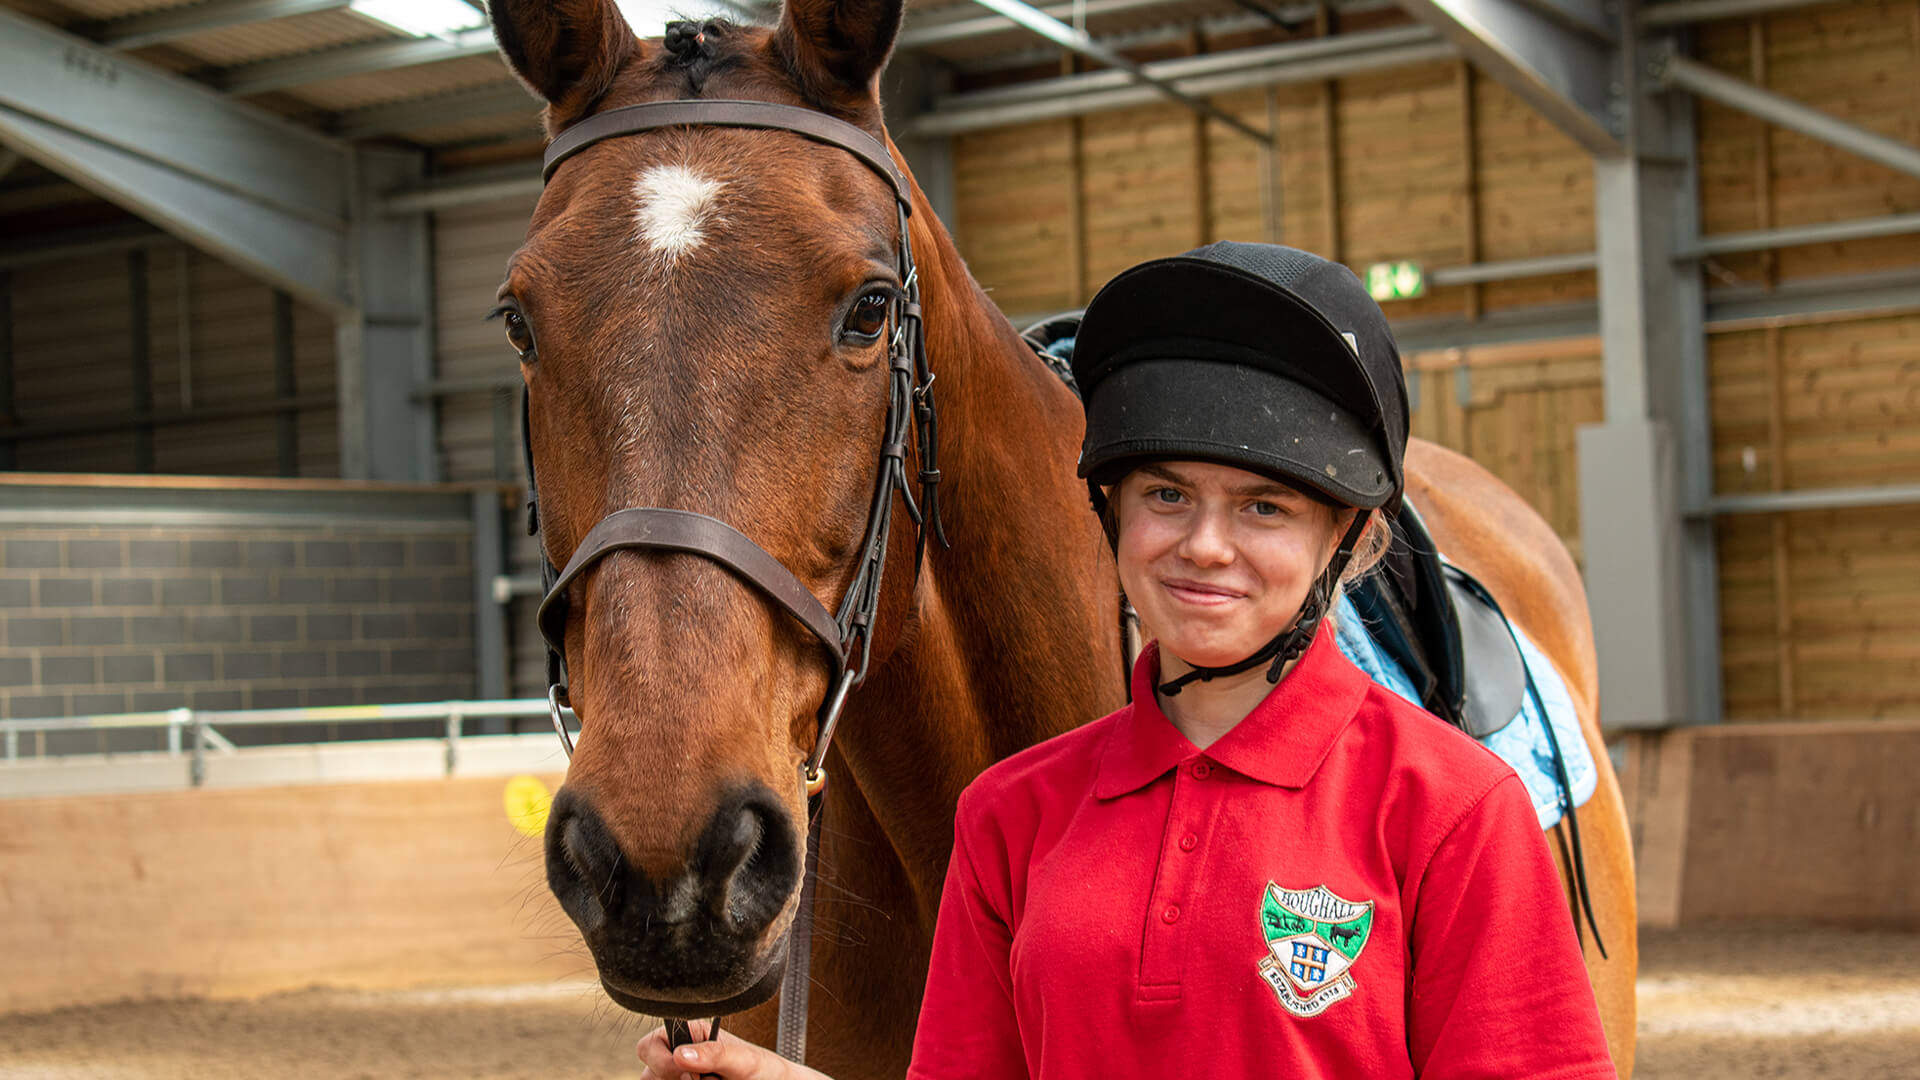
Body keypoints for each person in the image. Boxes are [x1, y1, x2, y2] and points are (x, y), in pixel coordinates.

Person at [638, 242, 1614, 1079]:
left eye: (1263, 508)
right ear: (1110, 513)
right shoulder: (1012, 817)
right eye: (1166, 496)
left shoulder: (1456, 810)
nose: (1205, 546)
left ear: (1349, 540)